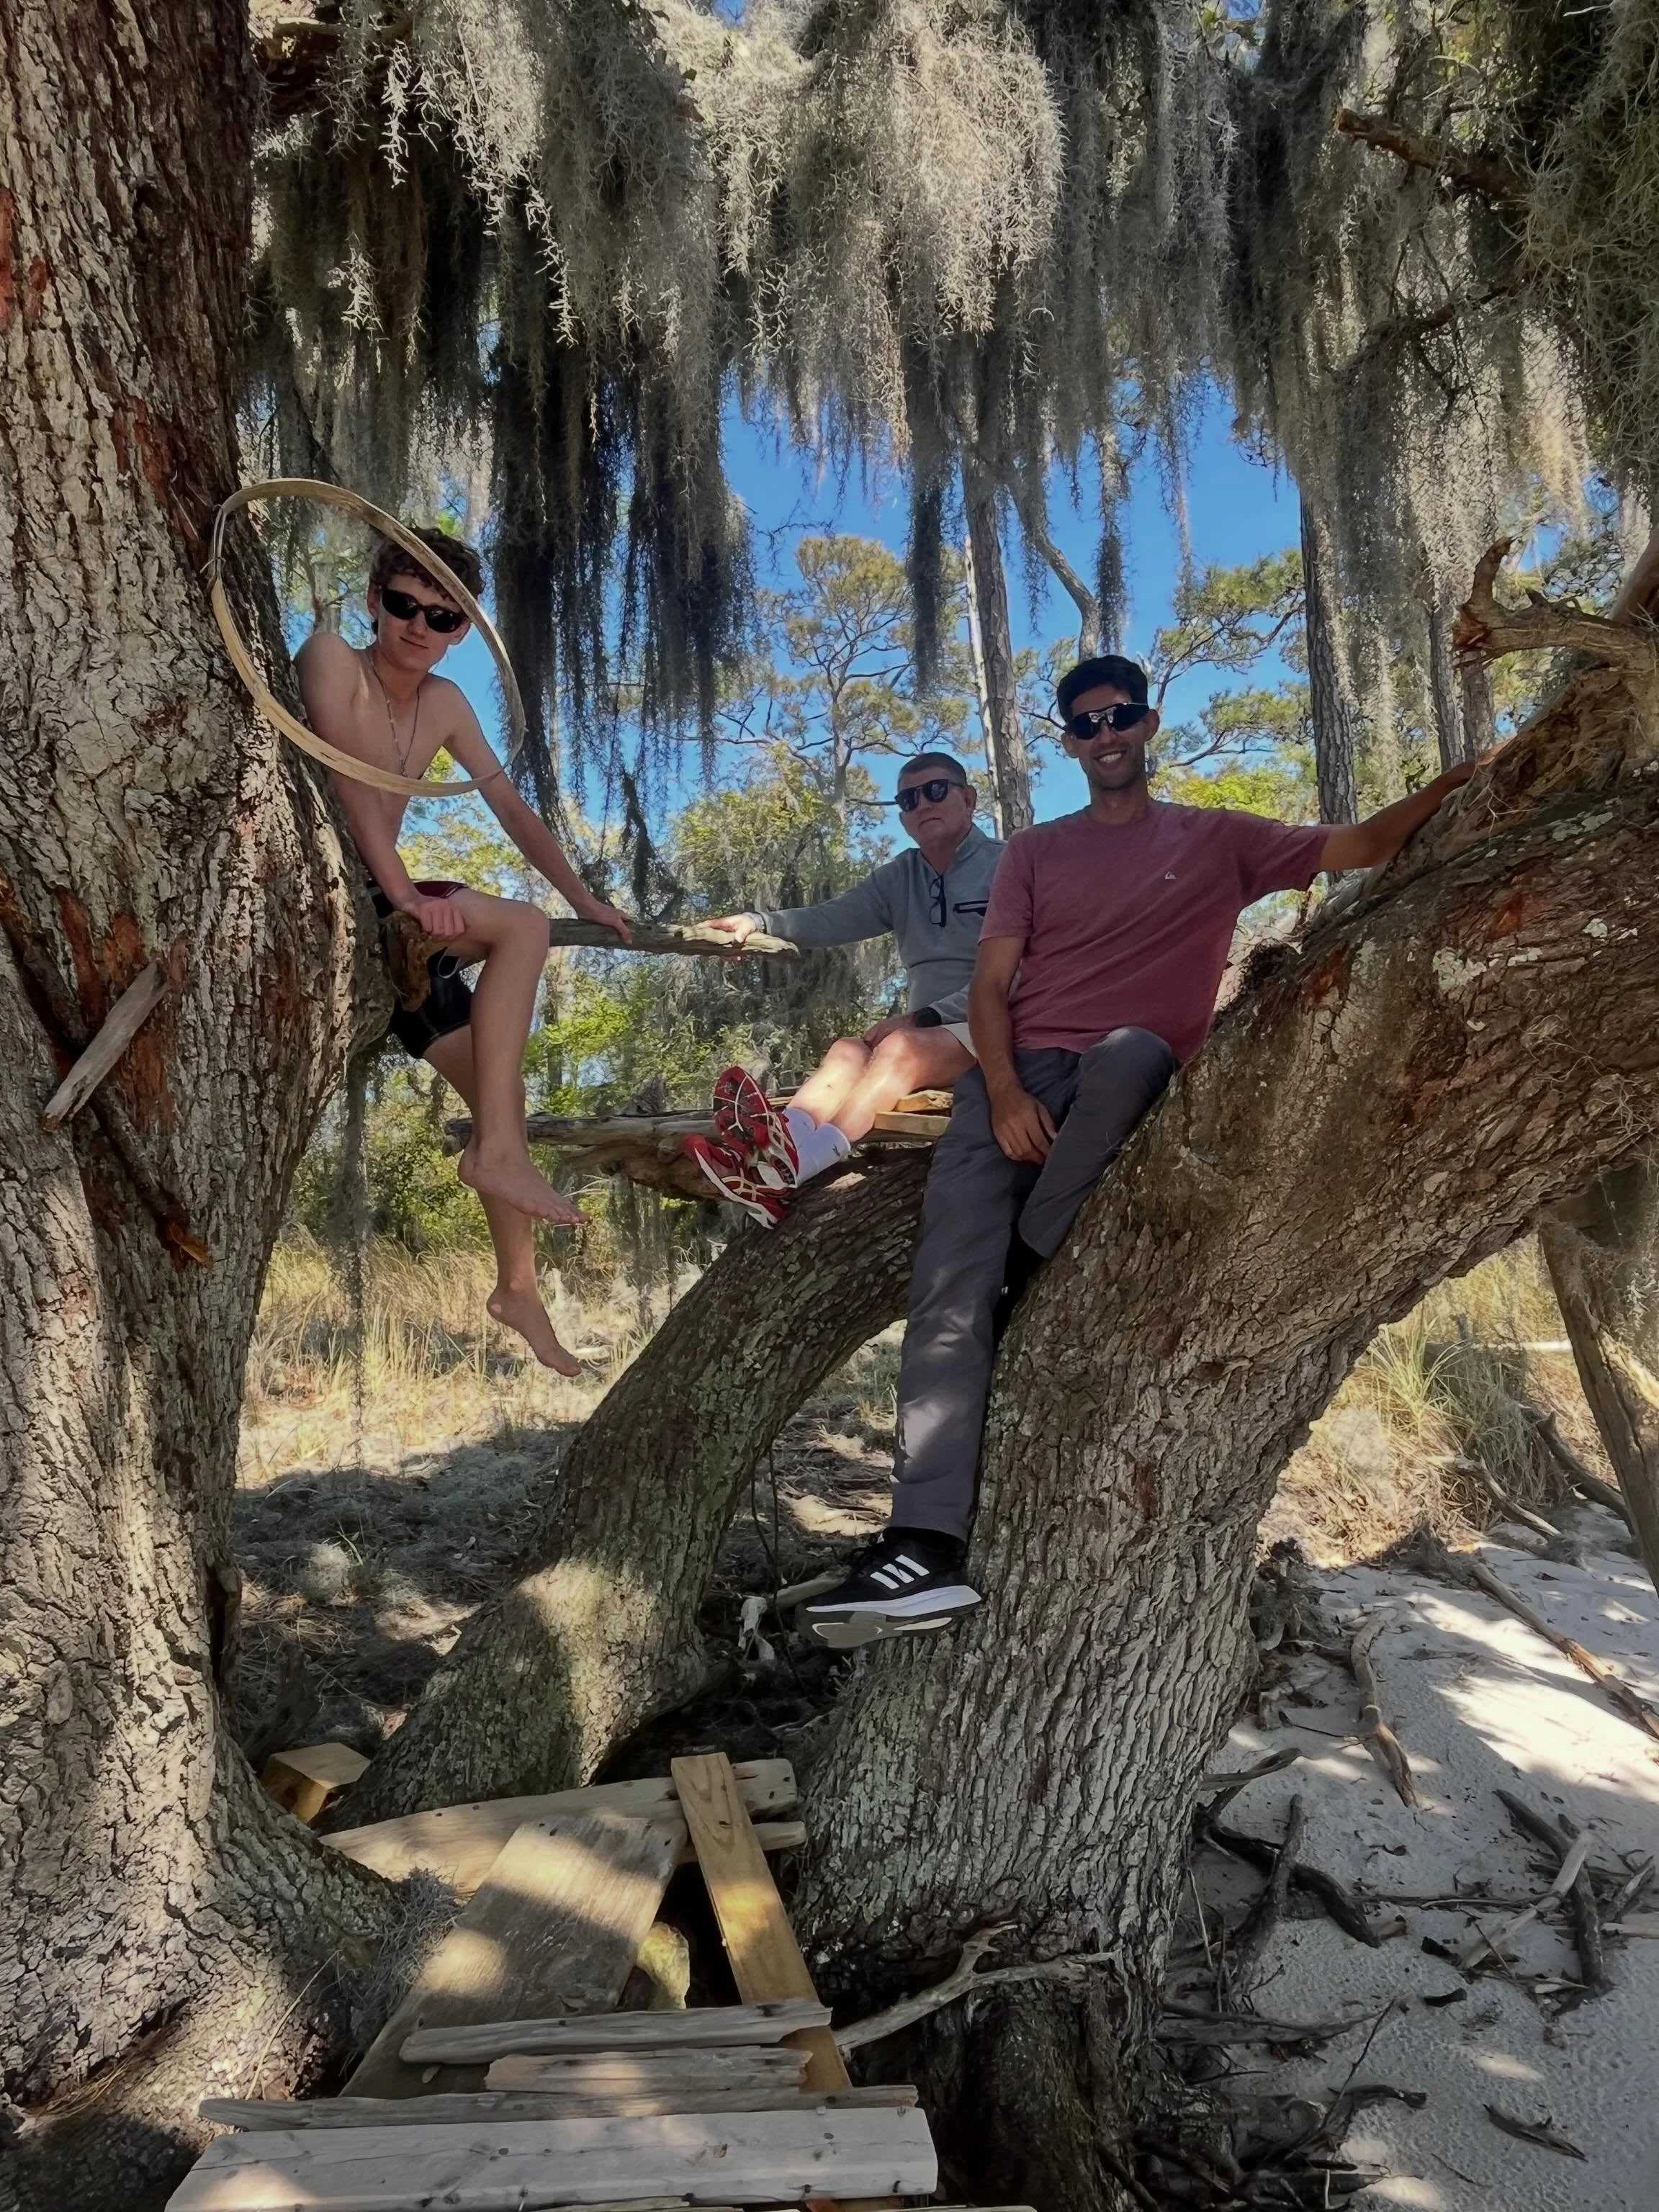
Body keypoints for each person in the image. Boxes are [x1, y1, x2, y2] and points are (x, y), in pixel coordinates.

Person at [799, 652, 1483, 1645]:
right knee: (947, 1292)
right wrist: (1001, 1092)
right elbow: (990, 990)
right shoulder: (1034, 854)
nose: (1105, 733)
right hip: (1020, 1077)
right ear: (1069, 743)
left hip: (1129, 1082)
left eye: (1119, 716)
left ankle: (1031, 1254)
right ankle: (921, 1544)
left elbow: (1363, 843)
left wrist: (1460, 782)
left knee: (1129, 1053)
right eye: (1084, 724)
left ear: (1148, 724)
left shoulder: (1221, 841)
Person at [297, 527, 631, 1375]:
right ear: (376, 601)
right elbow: (346, 778)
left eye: (441, 615)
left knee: (497, 1080)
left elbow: (511, 808)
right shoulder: (334, 655)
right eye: (405, 604)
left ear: (460, 629)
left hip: (396, 911)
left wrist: (584, 895)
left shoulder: (445, 702)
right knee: (521, 925)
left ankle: (516, 1286)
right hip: (348, 885)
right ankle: (498, 1157)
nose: (419, 625)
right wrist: (407, 894)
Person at [686, 754, 1002, 1226]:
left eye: (936, 791)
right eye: (908, 798)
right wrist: (756, 923)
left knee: (898, 1048)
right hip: (930, 1037)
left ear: (968, 799)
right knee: (848, 1049)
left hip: (995, 1024)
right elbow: (829, 918)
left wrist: (923, 1019)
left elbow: (1019, 974)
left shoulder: (1009, 865)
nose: (923, 805)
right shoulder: (901, 877)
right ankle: (780, 1147)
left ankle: (789, 1171)